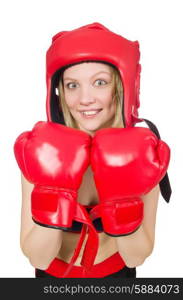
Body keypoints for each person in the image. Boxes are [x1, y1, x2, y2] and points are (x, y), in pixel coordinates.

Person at [14, 22, 172, 278]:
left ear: (121, 86)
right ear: (60, 92)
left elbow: (136, 256)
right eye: (72, 85)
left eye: (100, 82)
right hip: (52, 279)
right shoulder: (43, 151)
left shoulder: (141, 152)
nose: (85, 98)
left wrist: (121, 198)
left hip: (117, 278)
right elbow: (38, 258)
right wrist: (55, 189)